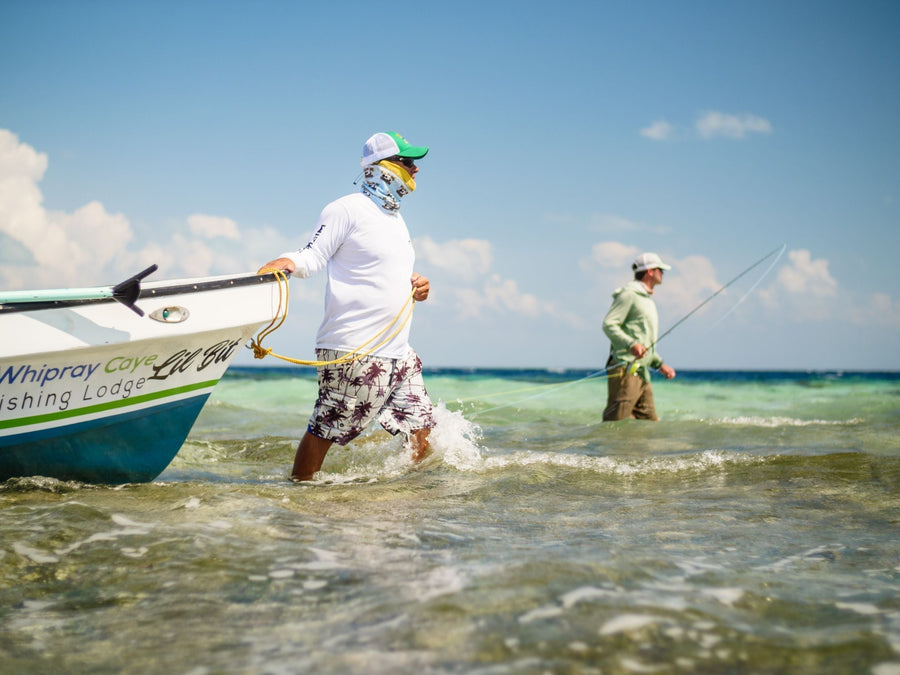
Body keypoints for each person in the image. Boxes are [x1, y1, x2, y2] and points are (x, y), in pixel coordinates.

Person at [258, 132, 436, 481]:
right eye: (407, 162)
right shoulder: (345, 209)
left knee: (421, 426)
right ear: (382, 166)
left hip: (398, 351)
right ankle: (300, 495)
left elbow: (381, 272)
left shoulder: (395, 219)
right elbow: (312, 255)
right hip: (353, 349)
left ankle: (404, 496)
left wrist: (418, 285)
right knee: (324, 430)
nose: (415, 169)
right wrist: (285, 262)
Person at [601, 252, 677, 421]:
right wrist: (631, 344)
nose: (662, 273)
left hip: (642, 373)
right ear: (650, 271)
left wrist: (660, 365)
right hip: (626, 370)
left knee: (650, 425)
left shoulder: (647, 300)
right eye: (660, 270)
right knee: (614, 423)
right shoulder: (629, 294)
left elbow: (644, 340)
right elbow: (609, 324)